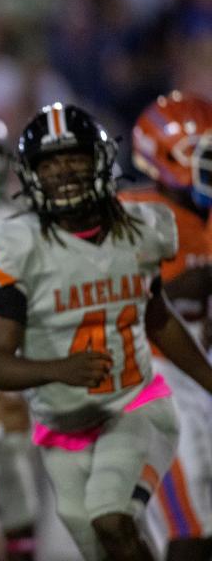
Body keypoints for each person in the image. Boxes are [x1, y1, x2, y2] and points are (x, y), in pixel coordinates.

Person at [0, 103, 212, 561]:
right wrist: (58, 368)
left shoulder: (138, 229)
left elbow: (158, 317)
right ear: (31, 174)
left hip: (137, 402)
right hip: (65, 422)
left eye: (76, 159)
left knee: (113, 519)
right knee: (97, 538)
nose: (65, 172)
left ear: (100, 162)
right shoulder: (16, 249)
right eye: (51, 163)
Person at [123, 90, 212, 560]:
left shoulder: (203, 219)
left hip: (191, 381)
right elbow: (135, 304)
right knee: (191, 531)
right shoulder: (135, 212)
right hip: (149, 384)